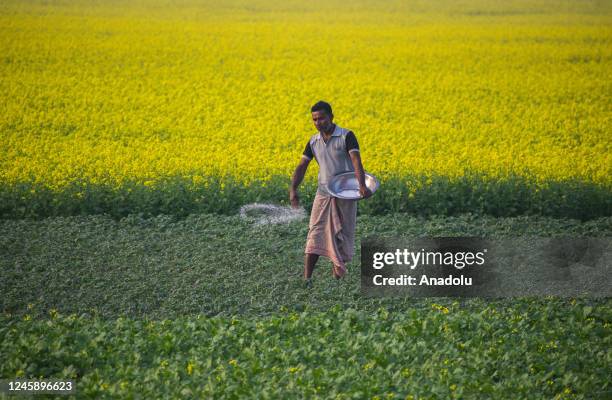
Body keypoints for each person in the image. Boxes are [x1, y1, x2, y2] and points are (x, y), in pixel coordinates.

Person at [289, 101, 372, 287]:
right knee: (315, 234)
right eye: (314, 119)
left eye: (322, 118)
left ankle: (337, 282)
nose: (318, 122)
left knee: (341, 236)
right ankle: (307, 279)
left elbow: (356, 160)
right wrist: (293, 189)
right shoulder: (313, 141)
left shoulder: (346, 136)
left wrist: (362, 186)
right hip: (324, 194)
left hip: (345, 196)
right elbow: (302, 166)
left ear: (331, 117)